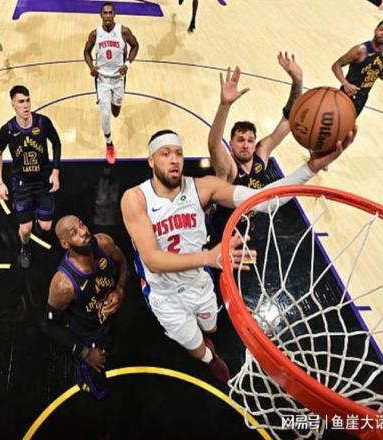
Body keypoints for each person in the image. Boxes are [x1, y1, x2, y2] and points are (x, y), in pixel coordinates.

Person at [120, 128, 355, 383]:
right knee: (195, 345)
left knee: (211, 325)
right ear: (151, 160)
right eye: (165, 154)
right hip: (165, 296)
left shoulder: (203, 187)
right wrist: (208, 258)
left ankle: (207, 337)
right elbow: (153, 260)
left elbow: (262, 201)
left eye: (178, 153)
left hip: (198, 282)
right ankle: (209, 358)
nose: (174, 160)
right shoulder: (135, 198)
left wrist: (311, 168)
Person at [207, 53, 303, 243]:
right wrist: (224, 106)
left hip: (247, 229)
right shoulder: (228, 167)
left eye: (250, 140)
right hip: (221, 234)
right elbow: (213, 145)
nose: (246, 144)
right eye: (240, 140)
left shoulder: (261, 154)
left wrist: (297, 81)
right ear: (231, 144)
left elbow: (288, 120)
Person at [47, 215, 127, 401]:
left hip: (109, 321)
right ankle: (86, 380)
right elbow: (50, 324)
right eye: (74, 233)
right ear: (65, 244)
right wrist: (85, 352)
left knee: (112, 350)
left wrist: (120, 289)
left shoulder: (104, 244)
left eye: (82, 225)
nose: (84, 232)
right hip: (88, 335)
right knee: (97, 379)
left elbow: (123, 263)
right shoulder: (63, 284)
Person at [0, 85, 61, 269]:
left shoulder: (43, 122)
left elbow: (56, 142)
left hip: (43, 180)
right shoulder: (7, 129)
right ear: (13, 104)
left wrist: (55, 171)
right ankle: (24, 248)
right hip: (22, 184)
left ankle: (39, 221)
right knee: (25, 229)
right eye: (21, 101)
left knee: (46, 227)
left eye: (28, 100)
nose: (26, 105)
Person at [83, 1, 139, 165]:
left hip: (118, 80)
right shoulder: (95, 34)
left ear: (114, 15)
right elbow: (86, 51)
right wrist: (91, 67)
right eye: (105, 13)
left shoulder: (123, 31)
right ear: (100, 15)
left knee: (116, 112)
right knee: (106, 114)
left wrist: (127, 64)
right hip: (102, 80)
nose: (107, 16)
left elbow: (135, 46)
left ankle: (114, 106)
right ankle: (109, 143)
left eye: (110, 13)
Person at [331, 19, 383, 116]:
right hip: (348, 93)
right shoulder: (361, 50)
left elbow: (380, 69)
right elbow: (336, 65)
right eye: (381, 29)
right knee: (336, 122)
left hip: (362, 97)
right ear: (375, 30)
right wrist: (345, 84)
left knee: (348, 124)